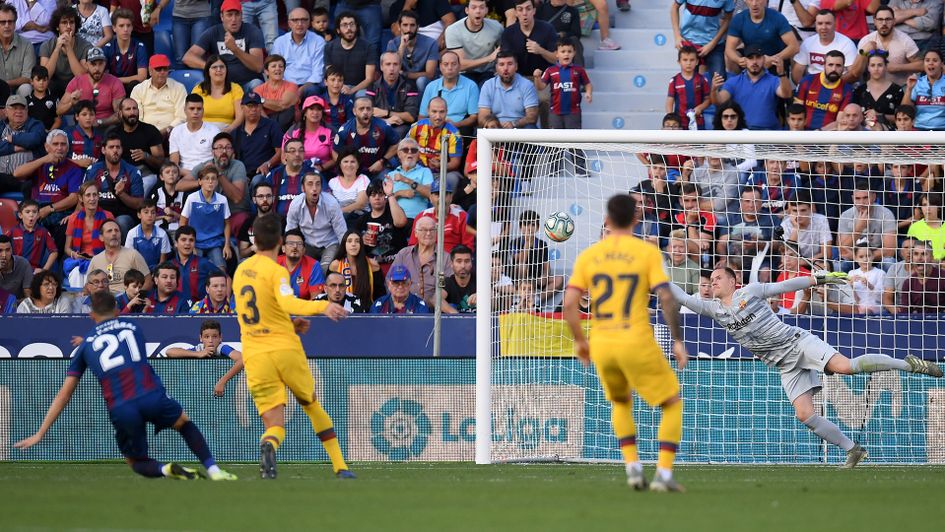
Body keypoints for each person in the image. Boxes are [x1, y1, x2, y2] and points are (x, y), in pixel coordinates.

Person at [672, 266, 942, 467]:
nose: (713, 282)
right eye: (711, 280)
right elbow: (682, 297)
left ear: (734, 281)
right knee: (805, 415)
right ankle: (854, 450)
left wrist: (821, 278)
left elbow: (785, 286)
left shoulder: (749, 292)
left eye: (718, 278)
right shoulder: (714, 309)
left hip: (798, 343)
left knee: (845, 366)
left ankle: (908, 364)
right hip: (784, 364)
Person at [15, 291, 238, 481]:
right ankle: (214, 470)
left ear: (91, 315)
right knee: (183, 423)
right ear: (117, 310)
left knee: (135, 461)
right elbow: (117, 339)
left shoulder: (86, 346)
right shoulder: (133, 327)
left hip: (121, 406)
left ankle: (165, 469)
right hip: (151, 394)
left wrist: (40, 432)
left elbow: (64, 394)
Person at [562, 193, 687, 491]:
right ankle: (663, 474)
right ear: (635, 219)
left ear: (607, 219)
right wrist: (677, 340)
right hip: (636, 339)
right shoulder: (646, 253)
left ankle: (632, 467)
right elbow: (666, 298)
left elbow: (568, 304)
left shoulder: (589, 256)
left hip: (602, 343)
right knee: (672, 402)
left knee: (620, 401)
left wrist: (580, 341)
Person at [233, 214, 353, 479]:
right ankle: (340, 466)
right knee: (310, 403)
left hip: (254, 354)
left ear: (254, 241)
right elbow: (287, 303)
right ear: (280, 241)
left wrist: (288, 322)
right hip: (283, 348)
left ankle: (269, 444)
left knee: (274, 423)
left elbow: (259, 309)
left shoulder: (240, 270)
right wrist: (323, 306)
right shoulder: (276, 271)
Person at [13, 129, 84, 243]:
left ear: (67, 148)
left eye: (63, 144)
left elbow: (74, 198)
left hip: (59, 211)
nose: (59, 148)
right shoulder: (38, 163)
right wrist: (44, 160)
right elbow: (17, 173)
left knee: (64, 228)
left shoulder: (74, 168)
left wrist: (50, 208)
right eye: (55, 144)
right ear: (47, 147)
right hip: (37, 209)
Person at [182, 0, 266, 91]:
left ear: (242, 16)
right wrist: (211, 66)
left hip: (248, 83)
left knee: (257, 84)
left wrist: (235, 49)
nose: (234, 19)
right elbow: (188, 57)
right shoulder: (213, 32)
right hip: (223, 86)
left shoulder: (252, 31)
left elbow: (258, 67)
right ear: (222, 17)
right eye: (229, 15)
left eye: (237, 14)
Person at [711, 45, 792, 130]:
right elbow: (719, 101)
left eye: (758, 57)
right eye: (750, 58)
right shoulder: (734, 81)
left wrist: (781, 73)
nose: (754, 62)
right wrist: (714, 90)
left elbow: (786, 94)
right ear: (745, 60)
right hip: (743, 132)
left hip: (768, 132)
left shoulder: (774, 80)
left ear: (764, 59)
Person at [83, 131, 145, 235]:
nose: (115, 150)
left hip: (123, 215)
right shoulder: (93, 170)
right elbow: (82, 197)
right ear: (103, 150)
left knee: (122, 222)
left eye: (118, 147)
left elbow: (139, 204)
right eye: (111, 147)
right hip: (98, 212)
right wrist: (74, 215)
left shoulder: (133, 171)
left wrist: (121, 194)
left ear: (122, 149)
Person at [285, 172, 347, 274]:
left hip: (330, 244)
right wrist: (291, 253)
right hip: (307, 245)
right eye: (310, 184)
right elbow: (290, 232)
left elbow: (342, 233)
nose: (314, 188)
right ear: (303, 188)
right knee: (302, 269)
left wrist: (346, 255)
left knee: (324, 268)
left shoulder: (331, 204)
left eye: (318, 184)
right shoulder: (295, 204)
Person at [164, 318, 244, 397]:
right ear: (201, 338)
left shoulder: (222, 348)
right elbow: (169, 352)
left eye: (214, 336)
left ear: (220, 338)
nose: (210, 340)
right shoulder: (199, 348)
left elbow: (242, 359)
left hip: (231, 391)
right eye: (206, 337)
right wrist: (198, 354)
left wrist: (222, 381)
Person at [389, 216, 452, 307]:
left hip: (433, 309)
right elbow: (389, 280)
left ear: (436, 233)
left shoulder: (445, 258)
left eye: (432, 230)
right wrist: (395, 302)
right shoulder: (403, 254)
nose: (428, 233)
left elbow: (448, 287)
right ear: (416, 233)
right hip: (403, 307)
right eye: (424, 230)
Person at [180, 165, 232, 271]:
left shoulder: (222, 200)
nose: (210, 181)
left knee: (221, 270)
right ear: (200, 182)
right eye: (207, 178)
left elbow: (227, 223)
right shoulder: (192, 198)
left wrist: (227, 245)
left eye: (213, 178)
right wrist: (189, 244)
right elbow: (182, 223)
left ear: (217, 182)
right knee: (193, 270)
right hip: (196, 242)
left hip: (214, 242)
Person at [724, 0, 799, 75]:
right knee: (729, 58)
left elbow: (794, 47)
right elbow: (729, 49)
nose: (754, 4)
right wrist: (738, 60)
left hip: (773, 60)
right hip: (750, 58)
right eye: (751, 0)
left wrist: (773, 59)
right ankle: (737, 79)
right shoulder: (739, 19)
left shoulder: (777, 17)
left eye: (758, 0)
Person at [836, 182, 898, 272]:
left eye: (865, 198)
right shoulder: (846, 215)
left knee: (889, 262)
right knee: (838, 266)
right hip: (854, 260)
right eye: (858, 198)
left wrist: (864, 257)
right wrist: (859, 229)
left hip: (877, 259)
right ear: (853, 199)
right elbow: (843, 251)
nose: (862, 203)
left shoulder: (886, 214)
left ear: (873, 197)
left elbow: (890, 251)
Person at [333, 96, 399, 180]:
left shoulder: (383, 127)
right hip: (354, 172)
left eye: (368, 109)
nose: (365, 112)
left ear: (372, 111)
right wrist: (345, 170)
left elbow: (397, 143)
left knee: (387, 181)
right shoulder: (344, 130)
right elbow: (335, 151)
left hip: (379, 170)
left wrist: (382, 161)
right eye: (361, 109)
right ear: (354, 111)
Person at [534, 38, 592, 130]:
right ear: (557, 54)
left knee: (572, 137)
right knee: (556, 137)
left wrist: (588, 93)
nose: (566, 54)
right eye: (563, 51)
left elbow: (587, 83)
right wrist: (537, 77)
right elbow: (540, 87)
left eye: (569, 51)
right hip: (555, 112)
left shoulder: (579, 70)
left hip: (573, 112)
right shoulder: (550, 70)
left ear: (574, 53)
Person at [855, 6, 921, 86]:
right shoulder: (866, 41)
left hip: (900, 88)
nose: (884, 23)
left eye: (888, 19)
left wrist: (898, 67)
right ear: (875, 21)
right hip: (873, 89)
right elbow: (855, 73)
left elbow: (921, 65)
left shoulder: (905, 40)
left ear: (894, 21)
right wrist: (864, 53)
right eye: (880, 19)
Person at [670, 0, 734, 82]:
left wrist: (712, 44)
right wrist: (677, 36)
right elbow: (674, 7)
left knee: (719, 81)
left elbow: (728, 17)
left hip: (714, 44)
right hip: (689, 42)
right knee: (690, 81)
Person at [418, 51, 479, 135]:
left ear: (459, 66)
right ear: (440, 67)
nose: (450, 68)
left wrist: (455, 125)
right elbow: (422, 116)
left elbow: (474, 117)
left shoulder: (471, 86)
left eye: (454, 64)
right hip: (434, 127)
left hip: (459, 128)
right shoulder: (431, 86)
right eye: (446, 64)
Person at [350, 179, 409, 266]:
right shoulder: (362, 220)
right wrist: (361, 240)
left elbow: (401, 222)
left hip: (396, 264)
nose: (377, 198)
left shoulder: (393, 212)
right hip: (371, 265)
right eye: (373, 195)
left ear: (385, 198)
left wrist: (390, 194)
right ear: (369, 199)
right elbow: (351, 243)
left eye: (381, 194)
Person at [407, 97, 464, 186]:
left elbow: (455, 163)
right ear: (428, 111)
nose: (438, 116)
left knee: (453, 178)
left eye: (442, 112)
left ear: (446, 112)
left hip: (441, 173)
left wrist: (441, 165)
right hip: (417, 170)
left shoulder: (454, 134)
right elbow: (405, 148)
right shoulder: (416, 127)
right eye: (434, 112)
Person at [444, 0, 503, 86]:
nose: (478, 11)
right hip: (464, 73)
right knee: (469, 89)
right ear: (467, 10)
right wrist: (489, 58)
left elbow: (503, 52)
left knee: (486, 88)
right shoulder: (453, 30)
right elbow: (459, 65)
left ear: (486, 10)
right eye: (474, 7)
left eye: (481, 7)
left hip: (488, 72)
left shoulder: (496, 27)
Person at [62, 46, 125, 127]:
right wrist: (71, 103)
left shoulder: (115, 82)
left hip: (107, 127)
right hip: (82, 127)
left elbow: (120, 114)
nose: (97, 68)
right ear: (86, 65)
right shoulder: (76, 81)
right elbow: (59, 111)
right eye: (93, 64)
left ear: (105, 64)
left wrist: (99, 122)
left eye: (100, 64)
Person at [408, 179, 475, 253]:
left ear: (451, 197)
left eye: (445, 194)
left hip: (452, 258)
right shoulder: (422, 216)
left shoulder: (462, 216)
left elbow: (468, 247)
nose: (441, 198)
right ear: (431, 198)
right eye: (437, 194)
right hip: (426, 257)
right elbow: (413, 245)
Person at [271, 7, 325, 98]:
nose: (299, 24)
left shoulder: (318, 41)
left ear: (309, 22)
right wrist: (289, 89)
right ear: (289, 23)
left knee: (312, 90)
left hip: (309, 85)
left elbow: (318, 73)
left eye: (303, 20)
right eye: (295, 20)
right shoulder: (280, 42)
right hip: (285, 85)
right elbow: (275, 70)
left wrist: (300, 90)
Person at [790, 9, 856, 84]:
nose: (824, 27)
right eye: (820, 23)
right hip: (812, 85)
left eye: (828, 23)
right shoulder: (807, 43)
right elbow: (797, 72)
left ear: (835, 24)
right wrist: (803, 87)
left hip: (838, 85)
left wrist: (830, 86)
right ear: (815, 25)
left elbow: (852, 74)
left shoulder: (847, 44)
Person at [793, 50, 853, 130]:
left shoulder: (847, 90)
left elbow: (839, 121)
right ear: (824, 65)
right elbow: (796, 112)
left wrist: (820, 132)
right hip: (803, 132)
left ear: (843, 68)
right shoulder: (807, 81)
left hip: (828, 133)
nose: (834, 69)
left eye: (838, 65)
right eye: (830, 65)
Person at [39, 5, 91, 98]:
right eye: (64, 22)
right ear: (57, 27)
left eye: (71, 22)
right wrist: (57, 49)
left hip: (76, 85)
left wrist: (69, 48)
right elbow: (44, 76)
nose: (68, 26)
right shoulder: (46, 45)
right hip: (54, 85)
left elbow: (82, 76)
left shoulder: (85, 46)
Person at [87, 219, 151, 294]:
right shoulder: (95, 260)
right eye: (109, 231)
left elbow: (148, 281)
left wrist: (136, 295)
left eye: (117, 230)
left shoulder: (133, 255)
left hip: (127, 299)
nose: (114, 233)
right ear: (101, 237)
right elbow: (88, 285)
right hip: (103, 299)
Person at [129, 55, 187, 137]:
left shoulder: (179, 88)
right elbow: (137, 117)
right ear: (150, 71)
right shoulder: (139, 89)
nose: (162, 72)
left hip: (172, 134)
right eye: (158, 69)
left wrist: (168, 130)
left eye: (165, 69)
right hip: (145, 135)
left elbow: (182, 117)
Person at [366, 51, 420, 140]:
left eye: (395, 64)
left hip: (401, 126)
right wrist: (386, 121)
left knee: (399, 133)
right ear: (381, 66)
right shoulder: (373, 86)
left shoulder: (409, 85)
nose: (392, 68)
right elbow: (367, 115)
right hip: (378, 124)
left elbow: (411, 116)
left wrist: (386, 113)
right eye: (388, 64)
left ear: (400, 66)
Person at [323, 11, 376, 96]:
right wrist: (341, 87)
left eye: (352, 24)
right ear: (338, 30)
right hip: (338, 86)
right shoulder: (329, 47)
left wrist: (352, 90)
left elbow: (369, 79)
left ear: (357, 27)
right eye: (345, 25)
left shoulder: (368, 47)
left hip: (360, 88)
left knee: (363, 99)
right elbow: (330, 75)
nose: (349, 28)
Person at [233, 92, 282, 182]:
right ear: (242, 107)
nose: (253, 109)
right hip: (243, 176)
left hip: (265, 174)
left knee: (257, 180)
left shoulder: (272, 126)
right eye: (250, 106)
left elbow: (280, 151)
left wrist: (268, 164)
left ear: (261, 107)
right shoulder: (236, 132)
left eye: (256, 106)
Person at [168, 94, 220, 179]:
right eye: (192, 109)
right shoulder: (176, 131)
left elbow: (218, 160)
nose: (195, 112)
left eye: (199, 109)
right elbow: (174, 162)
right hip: (183, 174)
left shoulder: (214, 131)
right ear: (185, 110)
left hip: (207, 175)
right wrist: (192, 174)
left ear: (203, 110)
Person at [192, 55, 244, 133]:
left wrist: (229, 129)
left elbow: (240, 117)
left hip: (227, 131)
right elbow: (192, 114)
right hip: (202, 130)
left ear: (226, 70)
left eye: (222, 67)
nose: (219, 70)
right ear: (208, 71)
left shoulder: (235, 88)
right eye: (214, 67)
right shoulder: (199, 89)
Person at [852, 50, 905, 127]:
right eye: (872, 65)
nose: (876, 69)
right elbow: (852, 115)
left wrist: (880, 116)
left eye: (880, 65)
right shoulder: (859, 90)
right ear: (868, 68)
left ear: (885, 67)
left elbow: (902, 117)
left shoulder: (896, 90)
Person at [329, 230, 383, 306]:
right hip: (342, 309)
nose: (353, 244)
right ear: (344, 245)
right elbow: (329, 292)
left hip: (366, 309)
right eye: (349, 241)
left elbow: (380, 295)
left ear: (361, 245)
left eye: (357, 241)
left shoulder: (373, 265)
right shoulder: (336, 265)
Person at [170, 225, 222, 303]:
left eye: (191, 240)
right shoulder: (169, 266)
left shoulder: (203, 263)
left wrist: (225, 302)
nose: (187, 243)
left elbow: (226, 279)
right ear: (176, 243)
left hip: (199, 309)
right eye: (183, 240)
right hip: (175, 309)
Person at [5, 199, 58, 273]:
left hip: (34, 272)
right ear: (20, 215)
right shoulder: (13, 231)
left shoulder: (43, 232)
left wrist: (44, 270)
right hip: (15, 270)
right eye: (27, 212)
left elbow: (54, 252)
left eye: (34, 212)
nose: (31, 215)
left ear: (38, 215)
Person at [283, 95, 334, 171]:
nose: (315, 112)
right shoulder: (293, 131)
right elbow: (284, 158)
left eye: (319, 109)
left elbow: (336, 158)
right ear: (305, 112)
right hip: (297, 172)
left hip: (324, 172)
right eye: (311, 109)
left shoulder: (330, 131)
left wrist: (321, 167)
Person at [664, 45, 710, 130]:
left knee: (698, 139)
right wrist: (671, 119)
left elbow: (708, 100)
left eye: (692, 60)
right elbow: (670, 101)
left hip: (698, 121)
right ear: (679, 62)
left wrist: (700, 107)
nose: (688, 63)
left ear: (697, 62)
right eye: (685, 60)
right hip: (679, 123)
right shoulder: (674, 80)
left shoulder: (702, 80)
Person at [102, 8, 146, 94]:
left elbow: (142, 77)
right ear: (114, 28)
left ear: (132, 27)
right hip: (113, 88)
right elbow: (104, 76)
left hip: (133, 89)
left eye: (128, 25)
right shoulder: (107, 48)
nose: (125, 29)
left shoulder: (139, 46)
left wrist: (117, 80)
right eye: (121, 26)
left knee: (134, 85)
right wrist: (116, 82)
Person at [252, 55, 299, 132]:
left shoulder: (292, 86)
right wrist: (270, 126)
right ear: (266, 71)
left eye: (281, 66)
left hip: (287, 122)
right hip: (267, 122)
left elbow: (282, 105)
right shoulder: (258, 89)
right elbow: (258, 110)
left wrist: (261, 100)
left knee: (289, 109)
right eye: (273, 66)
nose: (278, 68)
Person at [277, 228, 326, 300]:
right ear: (283, 248)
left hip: (305, 306)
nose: (295, 246)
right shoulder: (274, 263)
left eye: (299, 244)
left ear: (304, 250)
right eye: (290, 243)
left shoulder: (314, 265)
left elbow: (316, 299)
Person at [902, 49, 945, 130]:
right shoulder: (917, 83)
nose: (931, 63)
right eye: (927, 60)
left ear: (942, 64)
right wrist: (909, 89)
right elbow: (905, 111)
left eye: (935, 60)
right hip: (919, 128)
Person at [0, 3, 36, 96]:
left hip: (18, 91)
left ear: (15, 24)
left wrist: (4, 84)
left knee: (26, 88)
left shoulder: (27, 45)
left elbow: (28, 77)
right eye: (3, 22)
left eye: (10, 22)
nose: (7, 25)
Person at [897, 240, 943, 313]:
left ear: (932, 258)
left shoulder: (943, 278)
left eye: (924, 254)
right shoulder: (908, 283)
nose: (919, 258)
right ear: (912, 258)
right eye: (916, 254)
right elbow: (905, 314)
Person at [237, 182, 280, 259]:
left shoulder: (281, 221)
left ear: (273, 198)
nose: (265, 200)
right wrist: (252, 248)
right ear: (254, 199)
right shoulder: (248, 222)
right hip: (254, 261)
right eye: (260, 196)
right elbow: (242, 254)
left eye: (268, 196)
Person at [125, 200, 171, 272]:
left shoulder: (162, 234)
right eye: (146, 212)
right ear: (139, 215)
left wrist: (154, 275)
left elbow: (162, 262)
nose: (150, 215)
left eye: (153, 212)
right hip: (138, 272)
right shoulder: (132, 234)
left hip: (157, 272)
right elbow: (130, 260)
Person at [329, 148, 371, 223]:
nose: (349, 165)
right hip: (337, 220)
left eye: (353, 162)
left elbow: (360, 204)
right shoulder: (332, 182)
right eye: (345, 161)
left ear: (358, 165)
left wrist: (339, 212)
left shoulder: (363, 179)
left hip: (359, 218)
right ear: (340, 164)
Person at [148, 161, 185, 235]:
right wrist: (163, 217)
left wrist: (174, 214)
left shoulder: (184, 194)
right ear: (161, 177)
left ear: (178, 177)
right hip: (158, 231)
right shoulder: (155, 194)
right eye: (167, 172)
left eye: (174, 172)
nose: (171, 174)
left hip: (178, 232)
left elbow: (188, 218)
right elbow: (147, 217)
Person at [847, 243, 885, 314]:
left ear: (873, 256)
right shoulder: (851, 273)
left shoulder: (880, 273)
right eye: (861, 257)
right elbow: (848, 296)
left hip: (874, 306)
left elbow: (881, 296)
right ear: (855, 258)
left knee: (866, 311)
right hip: (856, 306)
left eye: (868, 256)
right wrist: (850, 285)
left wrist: (869, 285)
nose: (865, 259)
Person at [907, 192, 945, 260]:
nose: (928, 208)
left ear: (939, 207)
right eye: (924, 205)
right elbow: (909, 253)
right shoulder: (914, 228)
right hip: (921, 264)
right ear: (921, 208)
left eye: (932, 204)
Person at [25, 66, 61, 132]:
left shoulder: (54, 99)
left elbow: (58, 121)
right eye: (38, 80)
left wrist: (50, 132)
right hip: (31, 133)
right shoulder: (26, 100)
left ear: (48, 81)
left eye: (44, 80)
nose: (41, 83)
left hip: (49, 134)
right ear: (31, 81)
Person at [442, 244, 475, 313]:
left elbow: (494, 296)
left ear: (471, 263)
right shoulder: (448, 282)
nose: (463, 266)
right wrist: (455, 314)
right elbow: (436, 299)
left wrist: (483, 295)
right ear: (451, 264)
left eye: (467, 261)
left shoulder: (479, 280)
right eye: (459, 261)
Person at [0, 234, 34, 300]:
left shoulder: (23, 264)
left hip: (19, 304)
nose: (4, 255)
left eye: (7, 250)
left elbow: (28, 294)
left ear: (12, 250)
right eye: (0, 251)